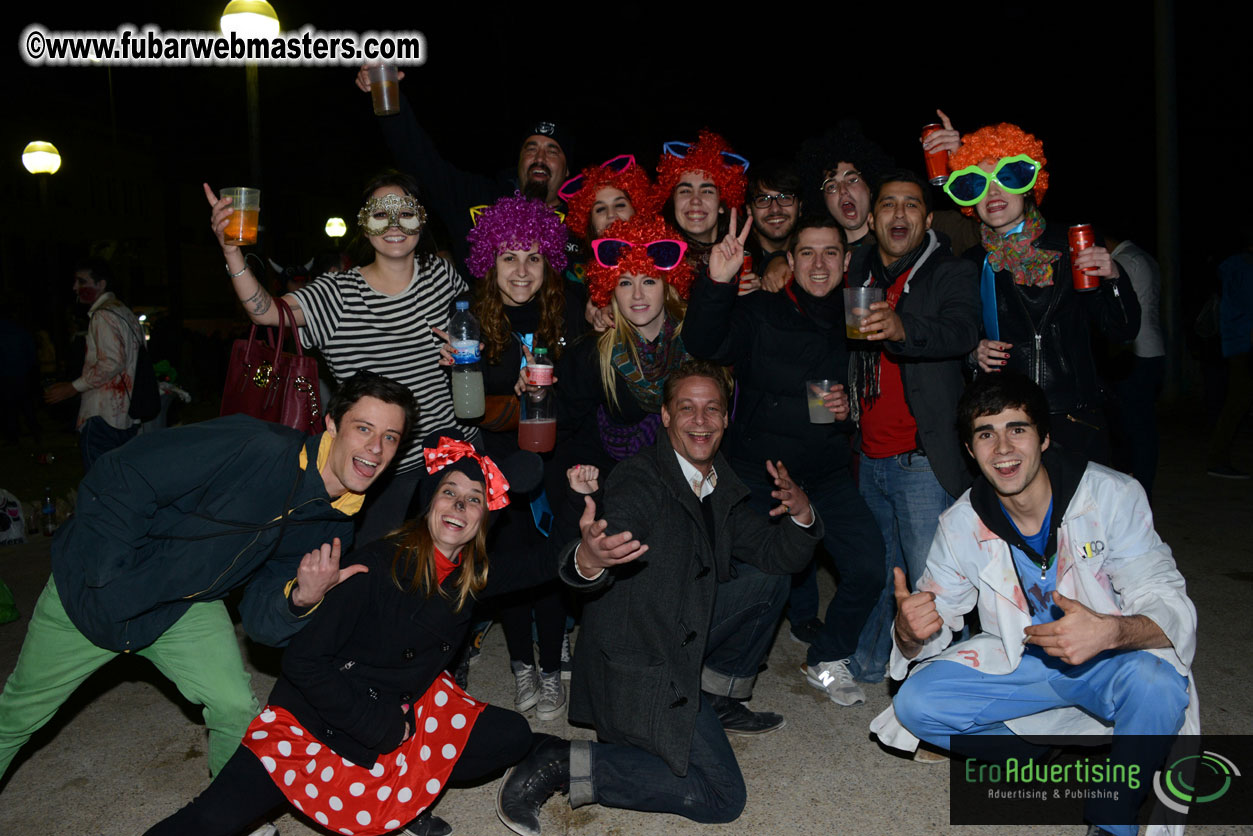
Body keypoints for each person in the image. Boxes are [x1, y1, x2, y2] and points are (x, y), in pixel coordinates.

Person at [0, 372, 415, 782]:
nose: (375, 448)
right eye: (363, 428)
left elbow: (258, 621)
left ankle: (225, 814)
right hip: (92, 592)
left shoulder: (334, 527)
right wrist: (110, 575)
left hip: (185, 606)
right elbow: (124, 472)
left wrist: (298, 600)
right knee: (16, 719)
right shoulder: (257, 446)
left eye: (390, 437)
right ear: (331, 424)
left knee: (235, 707)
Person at [496, 361, 822, 833]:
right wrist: (591, 558)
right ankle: (559, 759)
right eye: (686, 408)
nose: (701, 420)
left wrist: (804, 513)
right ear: (665, 417)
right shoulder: (639, 480)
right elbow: (605, 547)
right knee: (721, 797)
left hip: (681, 632)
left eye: (712, 408)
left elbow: (776, 554)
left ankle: (716, 693)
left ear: (726, 419)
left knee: (768, 581)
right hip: (641, 663)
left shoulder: (718, 479)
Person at [871, 373, 1197, 836]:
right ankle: (1032, 754)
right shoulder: (961, 522)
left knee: (1160, 684)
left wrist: (1110, 631)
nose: (1002, 448)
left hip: (1108, 660)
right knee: (917, 704)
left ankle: (1111, 816)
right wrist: (909, 631)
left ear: (1045, 438)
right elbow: (934, 618)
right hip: (1022, 661)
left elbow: (1171, 607)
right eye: (986, 434)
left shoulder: (1111, 495)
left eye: (1017, 429)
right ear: (970, 449)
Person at [206, 171, 472, 543]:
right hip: (375, 471)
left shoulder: (442, 276)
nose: (394, 225)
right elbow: (266, 312)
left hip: (449, 457)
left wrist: (464, 351)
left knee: (449, 580)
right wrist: (231, 250)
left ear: (421, 220)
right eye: (381, 214)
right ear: (365, 226)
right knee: (371, 579)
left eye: (405, 213)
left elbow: (476, 335)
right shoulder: (337, 294)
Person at [684, 213, 883, 707]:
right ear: (789, 261)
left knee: (868, 566)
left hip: (827, 471)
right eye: (808, 253)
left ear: (846, 260)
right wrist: (718, 282)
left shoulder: (858, 316)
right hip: (760, 470)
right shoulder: (761, 310)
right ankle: (719, 677)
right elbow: (703, 344)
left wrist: (850, 409)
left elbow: (870, 388)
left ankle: (826, 657)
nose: (819, 263)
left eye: (831, 253)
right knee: (756, 576)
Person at [447, 193, 587, 720]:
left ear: (548, 257)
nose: (521, 270)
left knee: (551, 563)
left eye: (532, 256)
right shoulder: (470, 320)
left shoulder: (570, 308)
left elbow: (583, 397)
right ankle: (521, 665)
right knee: (508, 562)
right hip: (502, 457)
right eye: (508, 257)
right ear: (490, 262)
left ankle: (551, 668)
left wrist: (545, 392)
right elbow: (472, 405)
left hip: (559, 453)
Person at [842, 170, 980, 684]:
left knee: (935, 585)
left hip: (921, 459)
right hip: (869, 456)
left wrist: (904, 328)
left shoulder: (949, 272)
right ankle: (873, 662)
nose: (899, 215)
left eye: (911, 206)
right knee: (879, 572)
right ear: (874, 219)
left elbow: (963, 329)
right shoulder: (859, 269)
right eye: (888, 206)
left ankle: (948, 685)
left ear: (926, 218)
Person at [941, 122, 1139, 464]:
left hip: (1072, 417)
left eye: (1007, 177)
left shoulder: (1069, 246)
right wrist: (972, 353)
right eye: (980, 184)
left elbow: (1121, 330)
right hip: (1006, 422)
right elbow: (956, 334)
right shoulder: (972, 263)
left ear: (1030, 186)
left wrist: (1114, 278)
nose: (993, 192)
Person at [356, 65, 572, 268]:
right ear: (518, 162)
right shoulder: (480, 196)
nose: (540, 157)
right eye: (531, 149)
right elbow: (420, 161)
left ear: (567, 170)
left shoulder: (582, 223)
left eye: (552, 151)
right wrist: (389, 97)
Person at [555, 213, 694, 473]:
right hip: (610, 479)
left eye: (649, 281)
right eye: (626, 282)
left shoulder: (693, 342)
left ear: (668, 285)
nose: (637, 294)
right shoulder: (592, 355)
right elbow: (562, 433)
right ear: (611, 290)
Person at [43, 258, 144, 470]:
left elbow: (111, 363)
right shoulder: (125, 313)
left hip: (103, 414)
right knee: (119, 478)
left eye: (82, 281)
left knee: (100, 482)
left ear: (101, 284)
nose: (75, 288)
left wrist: (72, 388)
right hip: (126, 413)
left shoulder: (104, 315)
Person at [1107, 235, 1167, 496]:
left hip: (1135, 352)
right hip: (1154, 349)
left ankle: (1137, 489)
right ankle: (1142, 484)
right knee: (1143, 427)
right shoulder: (1146, 258)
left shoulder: (1122, 262)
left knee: (1132, 430)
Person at [655, 130, 749, 277]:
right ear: (673, 202)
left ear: (721, 205)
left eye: (707, 191)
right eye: (685, 191)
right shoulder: (657, 262)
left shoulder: (748, 258)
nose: (695, 200)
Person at [796, 120, 894, 250]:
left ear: (870, 186)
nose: (843, 190)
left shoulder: (899, 240)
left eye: (852, 180)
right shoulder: (822, 258)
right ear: (822, 200)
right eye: (831, 186)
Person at [1207, 238, 1253, 478]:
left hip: (1234, 342)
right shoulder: (1243, 267)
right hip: (1243, 343)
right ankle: (1217, 459)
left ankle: (1218, 457)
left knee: (1236, 401)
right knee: (1237, 402)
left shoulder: (1233, 266)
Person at [744, 160, 802, 292]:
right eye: (763, 200)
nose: (775, 209)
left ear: (800, 208)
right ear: (749, 210)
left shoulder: (814, 254)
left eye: (785, 197)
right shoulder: (735, 259)